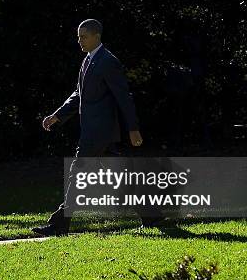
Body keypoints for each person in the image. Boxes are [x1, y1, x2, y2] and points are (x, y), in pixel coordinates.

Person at [32, 19, 164, 236]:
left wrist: (133, 128)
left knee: (77, 173)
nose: (79, 41)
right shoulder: (88, 61)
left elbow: (123, 97)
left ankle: (60, 224)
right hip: (97, 133)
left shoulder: (107, 61)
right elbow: (78, 95)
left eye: (83, 36)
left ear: (96, 36)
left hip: (99, 133)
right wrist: (57, 115)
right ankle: (150, 214)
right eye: (78, 37)